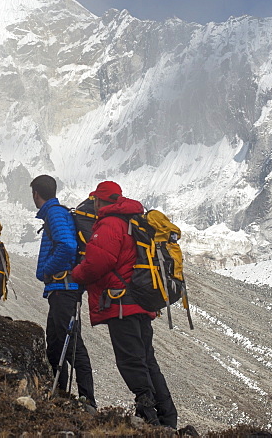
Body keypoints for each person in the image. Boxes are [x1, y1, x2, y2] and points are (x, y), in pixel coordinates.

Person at [71, 180, 178, 428]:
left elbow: (97, 263)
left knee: (130, 359)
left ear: (99, 201)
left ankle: (147, 412)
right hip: (141, 302)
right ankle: (167, 417)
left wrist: (76, 274)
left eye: (95, 200)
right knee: (147, 359)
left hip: (122, 304)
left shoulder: (110, 224)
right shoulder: (133, 221)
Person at [31, 174, 95, 407]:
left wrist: (48, 271)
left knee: (72, 344)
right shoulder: (55, 214)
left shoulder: (55, 214)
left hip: (64, 288)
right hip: (61, 290)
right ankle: (61, 396)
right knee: (57, 344)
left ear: (36, 194)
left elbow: (67, 245)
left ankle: (88, 400)